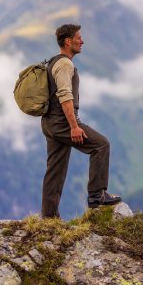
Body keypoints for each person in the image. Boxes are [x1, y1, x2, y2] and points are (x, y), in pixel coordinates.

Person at [40, 23, 121, 218]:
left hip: (49, 123)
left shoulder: (53, 62)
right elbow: (65, 96)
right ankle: (96, 195)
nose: (82, 41)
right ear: (68, 41)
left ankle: (49, 217)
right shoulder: (65, 64)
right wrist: (74, 126)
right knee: (101, 145)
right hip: (62, 124)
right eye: (78, 38)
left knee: (55, 169)